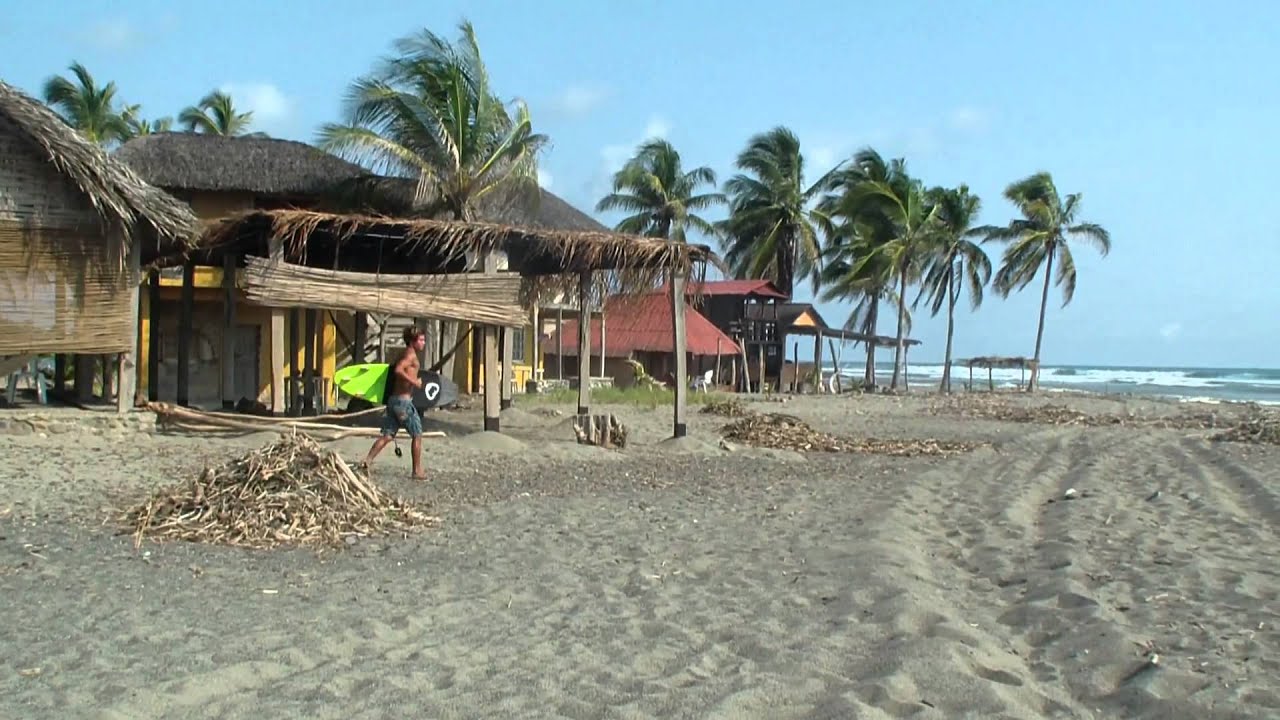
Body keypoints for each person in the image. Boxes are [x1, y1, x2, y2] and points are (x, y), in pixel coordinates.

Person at [362, 326, 429, 479]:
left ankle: (367, 460)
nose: (423, 343)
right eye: (421, 340)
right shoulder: (410, 355)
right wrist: (415, 382)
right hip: (403, 402)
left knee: (388, 435)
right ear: (412, 341)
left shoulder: (404, 353)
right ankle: (417, 471)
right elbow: (398, 370)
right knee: (417, 435)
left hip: (394, 401)